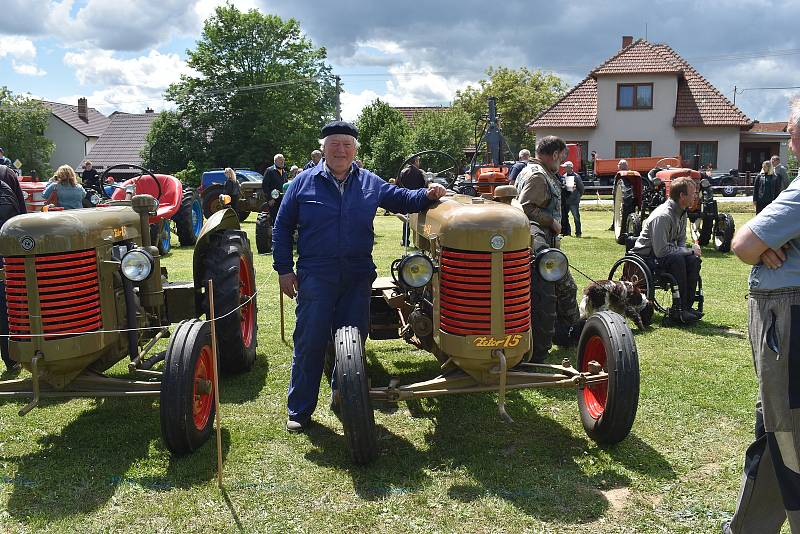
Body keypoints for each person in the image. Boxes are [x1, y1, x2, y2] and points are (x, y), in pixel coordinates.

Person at [272, 120, 447, 432]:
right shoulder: (302, 183)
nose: (341, 150)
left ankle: (345, 394)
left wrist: (428, 194)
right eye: (335, 144)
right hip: (316, 275)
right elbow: (282, 227)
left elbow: (402, 198)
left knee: (353, 339)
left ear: (355, 150)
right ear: (323, 148)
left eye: (347, 144)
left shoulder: (369, 182)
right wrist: (284, 269)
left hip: (357, 276)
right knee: (310, 341)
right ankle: (299, 411)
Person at [724, 97, 800, 534]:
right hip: (783, 317)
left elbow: (743, 245)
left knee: (788, 430)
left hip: (788, 321)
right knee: (774, 426)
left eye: (791, 134)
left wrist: (760, 243)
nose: (789, 143)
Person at [517, 135, 581, 362]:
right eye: (561, 156)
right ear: (554, 154)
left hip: (540, 244)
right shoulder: (538, 175)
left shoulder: (531, 170)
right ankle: (572, 334)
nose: (562, 161)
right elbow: (524, 207)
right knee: (566, 288)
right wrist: (551, 222)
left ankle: (563, 334)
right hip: (539, 245)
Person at [630, 176, 702, 324]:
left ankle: (686, 307)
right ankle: (678, 310)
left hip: (663, 254)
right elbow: (661, 251)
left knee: (693, 260)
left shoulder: (682, 213)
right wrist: (688, 250)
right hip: (647, 257)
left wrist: (689, 252)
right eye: (693, 193)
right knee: (679, 258)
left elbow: (681, 240)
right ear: (682, 196)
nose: (696, 196)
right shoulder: (663, 216)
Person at [0, 165, 27, 373]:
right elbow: (21, 216)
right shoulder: (6, 173)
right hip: (5, 247)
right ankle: (11, 358)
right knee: (6, 303)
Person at [397, 155, 426, 246]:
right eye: (418, 161)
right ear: (415, 161)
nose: (419, 163)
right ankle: (419, 242)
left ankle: (405, 241)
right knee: (419, 221)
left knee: (407, 221)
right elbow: (425, 184)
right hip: (418, 198)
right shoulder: (421, 172)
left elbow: (397, 184)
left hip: (406, 198)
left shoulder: (403, 172)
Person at [262, 154, 287, 223]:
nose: (282, 161)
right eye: (280, 160)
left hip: (283, 200)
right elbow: (265, 186)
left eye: (283, 160)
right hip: (274, 201)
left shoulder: (284, 172)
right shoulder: (269, 171)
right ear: (275, 161)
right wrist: (270, 199)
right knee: (275, 219)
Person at [562, 161, 584, 237]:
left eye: (565, 167)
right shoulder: (564, 176)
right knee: (564, 217)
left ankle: (578, 233)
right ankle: (567, 232)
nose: (564, 168)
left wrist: (577, 197)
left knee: (576, 218)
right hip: (566, 200)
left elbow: (581, 188)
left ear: (570, 168)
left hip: (574, 201)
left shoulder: (576, 176)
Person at [608, 159, 630, 230]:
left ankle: (615, 225)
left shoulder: (619, 174)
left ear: (620, 166)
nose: (618, 166)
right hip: (627, 196)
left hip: (620, 196)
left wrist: (614, 194)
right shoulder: (630, 173)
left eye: (619, 165)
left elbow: (616, 186)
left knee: (617, 211)